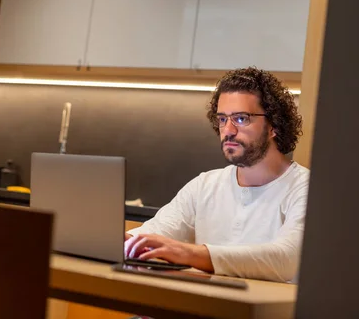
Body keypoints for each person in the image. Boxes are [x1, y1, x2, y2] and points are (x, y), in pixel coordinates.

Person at [125, 67, 309, 283]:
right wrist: (118, 241)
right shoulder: (204, 185)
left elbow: (286, 259)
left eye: (241, 119)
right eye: (222, 119)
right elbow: (151, 235)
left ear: (273, 126)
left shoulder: (305, 188)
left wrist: (190, 253)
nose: (228, 130)